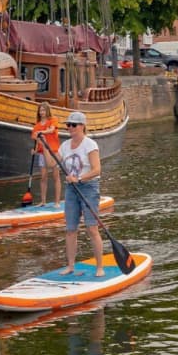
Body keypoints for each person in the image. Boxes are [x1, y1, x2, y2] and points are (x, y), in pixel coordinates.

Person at [57, 110, 105, 277]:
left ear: (82, 126)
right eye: (68, 125)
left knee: (92, 228)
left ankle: (100, 267)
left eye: (73, 125)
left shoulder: (90, 145)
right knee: (70, 229)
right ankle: (70, 266)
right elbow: (51, 163)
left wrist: (78, 178)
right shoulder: (64, 146)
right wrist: (41, 144)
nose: (70, 127)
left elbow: (97, 170)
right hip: (71, 189)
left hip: (88, 187)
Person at [31, 102, 61, 205]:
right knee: (43, 177)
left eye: (43, 110)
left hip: (54, 152)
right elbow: (36, 140)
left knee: (56, 176)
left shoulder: (53, 120)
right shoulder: (37, 126)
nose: (41, 112)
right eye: (40, 110)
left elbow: (51, 130)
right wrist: (34, 150)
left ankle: (57, 202)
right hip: (42, 153)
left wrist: (42, 132)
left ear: (47, 111)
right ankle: (43, 201)